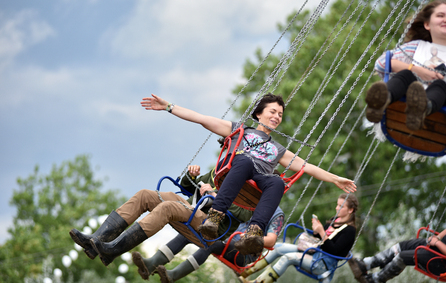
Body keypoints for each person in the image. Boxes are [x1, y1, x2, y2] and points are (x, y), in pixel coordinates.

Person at [141, 93, 357, 256]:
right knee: (245, 160)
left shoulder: (278, 149)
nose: (277, 116)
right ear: (259, 113)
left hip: (257, 181)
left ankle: (254, 233)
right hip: (239, 170)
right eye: (272, 111)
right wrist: (169, 107)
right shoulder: (239, 130)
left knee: (277, 182)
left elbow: (306, 166)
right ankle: (215, 217)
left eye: (280, 114)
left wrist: (335, 178)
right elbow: (202, 118)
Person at [69, 164, 252, 267]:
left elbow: (243, 214)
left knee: (168, 207)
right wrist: (190, 175)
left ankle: (114, 249)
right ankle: (96, 241)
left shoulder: (251, 191)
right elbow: (188, 187)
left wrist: (214, 196)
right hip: (189, 209)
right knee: (145, 195)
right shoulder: (220, 172)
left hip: (210, 228)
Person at [365, 0, 446, 131]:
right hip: (406, 101)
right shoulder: (416, 47)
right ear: (427, 24)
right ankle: (382, 100)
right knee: (406, 74)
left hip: (442, 110)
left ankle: (422, 108)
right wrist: (417, 70)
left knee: (441, 86)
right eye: (440, 16)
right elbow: (382, 64)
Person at [140, 206, 284, 282]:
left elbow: (271, 240)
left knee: (213, 244)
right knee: (193, 230)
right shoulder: (247, 200)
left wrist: (250, 238)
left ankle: (173, 276)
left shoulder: (276, 213)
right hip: (226, 241)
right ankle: (152, 263)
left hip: (244, 253)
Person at [238, 193, 358, 283]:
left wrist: (322, 232)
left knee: (288, 258)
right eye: (337, 205)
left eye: (341, 206)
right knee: (278, 247)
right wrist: (317, 230)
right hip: (313, 253)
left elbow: (333, 250)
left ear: (350, 210)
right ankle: (246, 271)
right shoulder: (333, 222)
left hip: (322, 263)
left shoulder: (349, 231)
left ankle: (258, 282)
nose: (337, 208)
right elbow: (320, 239)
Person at [349, 227, 446, 283]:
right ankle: (367, 263)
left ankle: (376, 279)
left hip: (441, 262)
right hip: (435, 248)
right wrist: (437, 238)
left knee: (403, 257)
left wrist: (437, 243)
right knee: (402, 246)